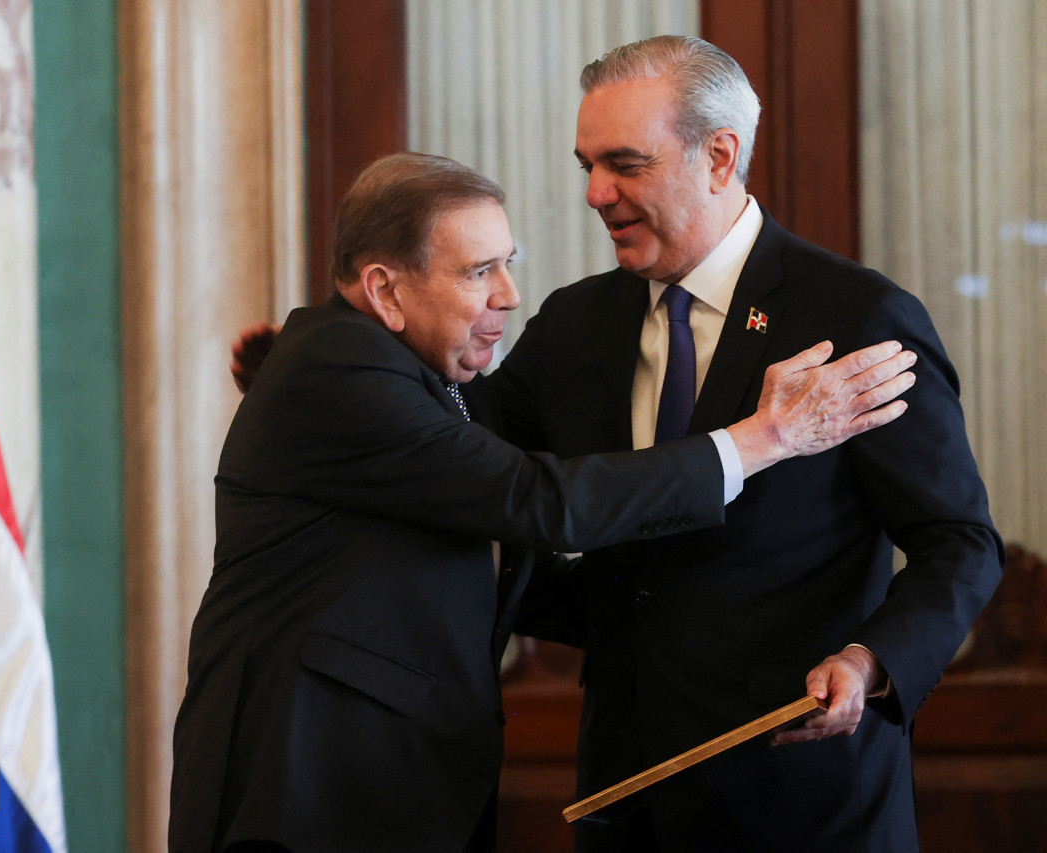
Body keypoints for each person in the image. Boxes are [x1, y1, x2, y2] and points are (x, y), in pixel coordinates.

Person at [170, 152, 914, 853]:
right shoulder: (341, 363)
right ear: (385, 291)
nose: (508, 296)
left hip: (386, 790)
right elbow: (540, 500)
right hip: (311, 794)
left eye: (509, 265)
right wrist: (761, 438)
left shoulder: (408, 384)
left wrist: (795, 632)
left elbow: (506, 561)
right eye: (479, 271)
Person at [484, 36, 1002, 852]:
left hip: (804, 799)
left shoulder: (856, 319)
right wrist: (338, 382)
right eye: (586, 164)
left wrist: (871, 660)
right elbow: (464, 459)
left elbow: (959, 544)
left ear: (719, 156)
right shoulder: (575, 323)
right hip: (627, 791)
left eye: (624, 163)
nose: (594, 192)